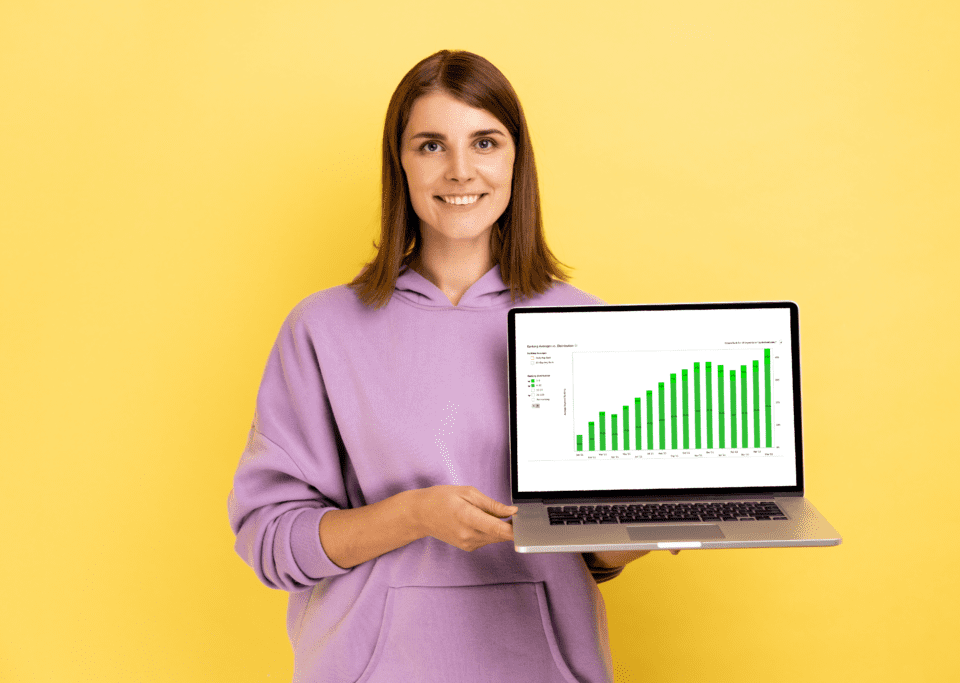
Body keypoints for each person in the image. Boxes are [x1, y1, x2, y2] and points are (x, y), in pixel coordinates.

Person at [227, 49, 672, 683]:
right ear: (399, 164)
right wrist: (415, 516)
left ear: (516, 160)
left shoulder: (583, 323)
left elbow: (594, 554)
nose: (461, 171)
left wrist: (636, 531)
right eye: (431, 145)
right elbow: (272, 543)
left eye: (484, 142)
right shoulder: (323, 328)